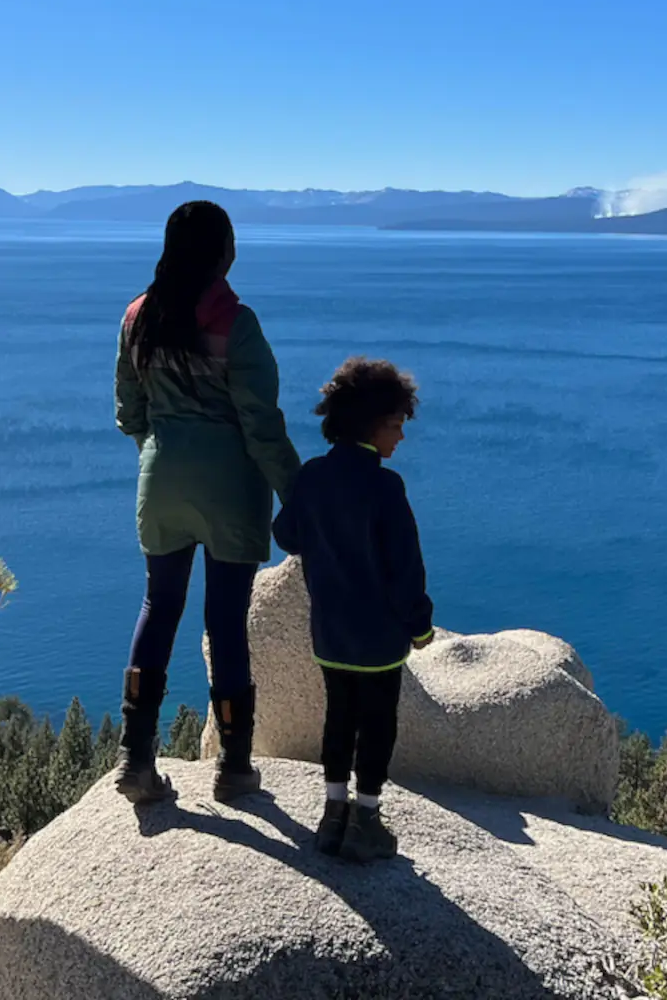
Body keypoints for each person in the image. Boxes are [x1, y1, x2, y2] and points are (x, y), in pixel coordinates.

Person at [114, 201, 301, 805]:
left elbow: (129, 413)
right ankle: (235, 767)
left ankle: (135, 759)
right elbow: (262, 429)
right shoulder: (235, 323)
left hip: (161, 480)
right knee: (225, 622)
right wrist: (300, 497)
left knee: (158, 604)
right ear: (223, 252)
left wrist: (161, 451)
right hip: (230, 488)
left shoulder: (138, 317)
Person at [272, 357, 432, 863]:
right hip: (379, 639)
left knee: (338, 718)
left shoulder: (313, 477)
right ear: (370, 423)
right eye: (396, 424)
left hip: (331, 635)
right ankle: (366, 820)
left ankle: (332, 815)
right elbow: (405, 569)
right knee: (377, 723)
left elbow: (286, 536)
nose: (401, 436)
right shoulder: (386, 487)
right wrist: (420, 626)